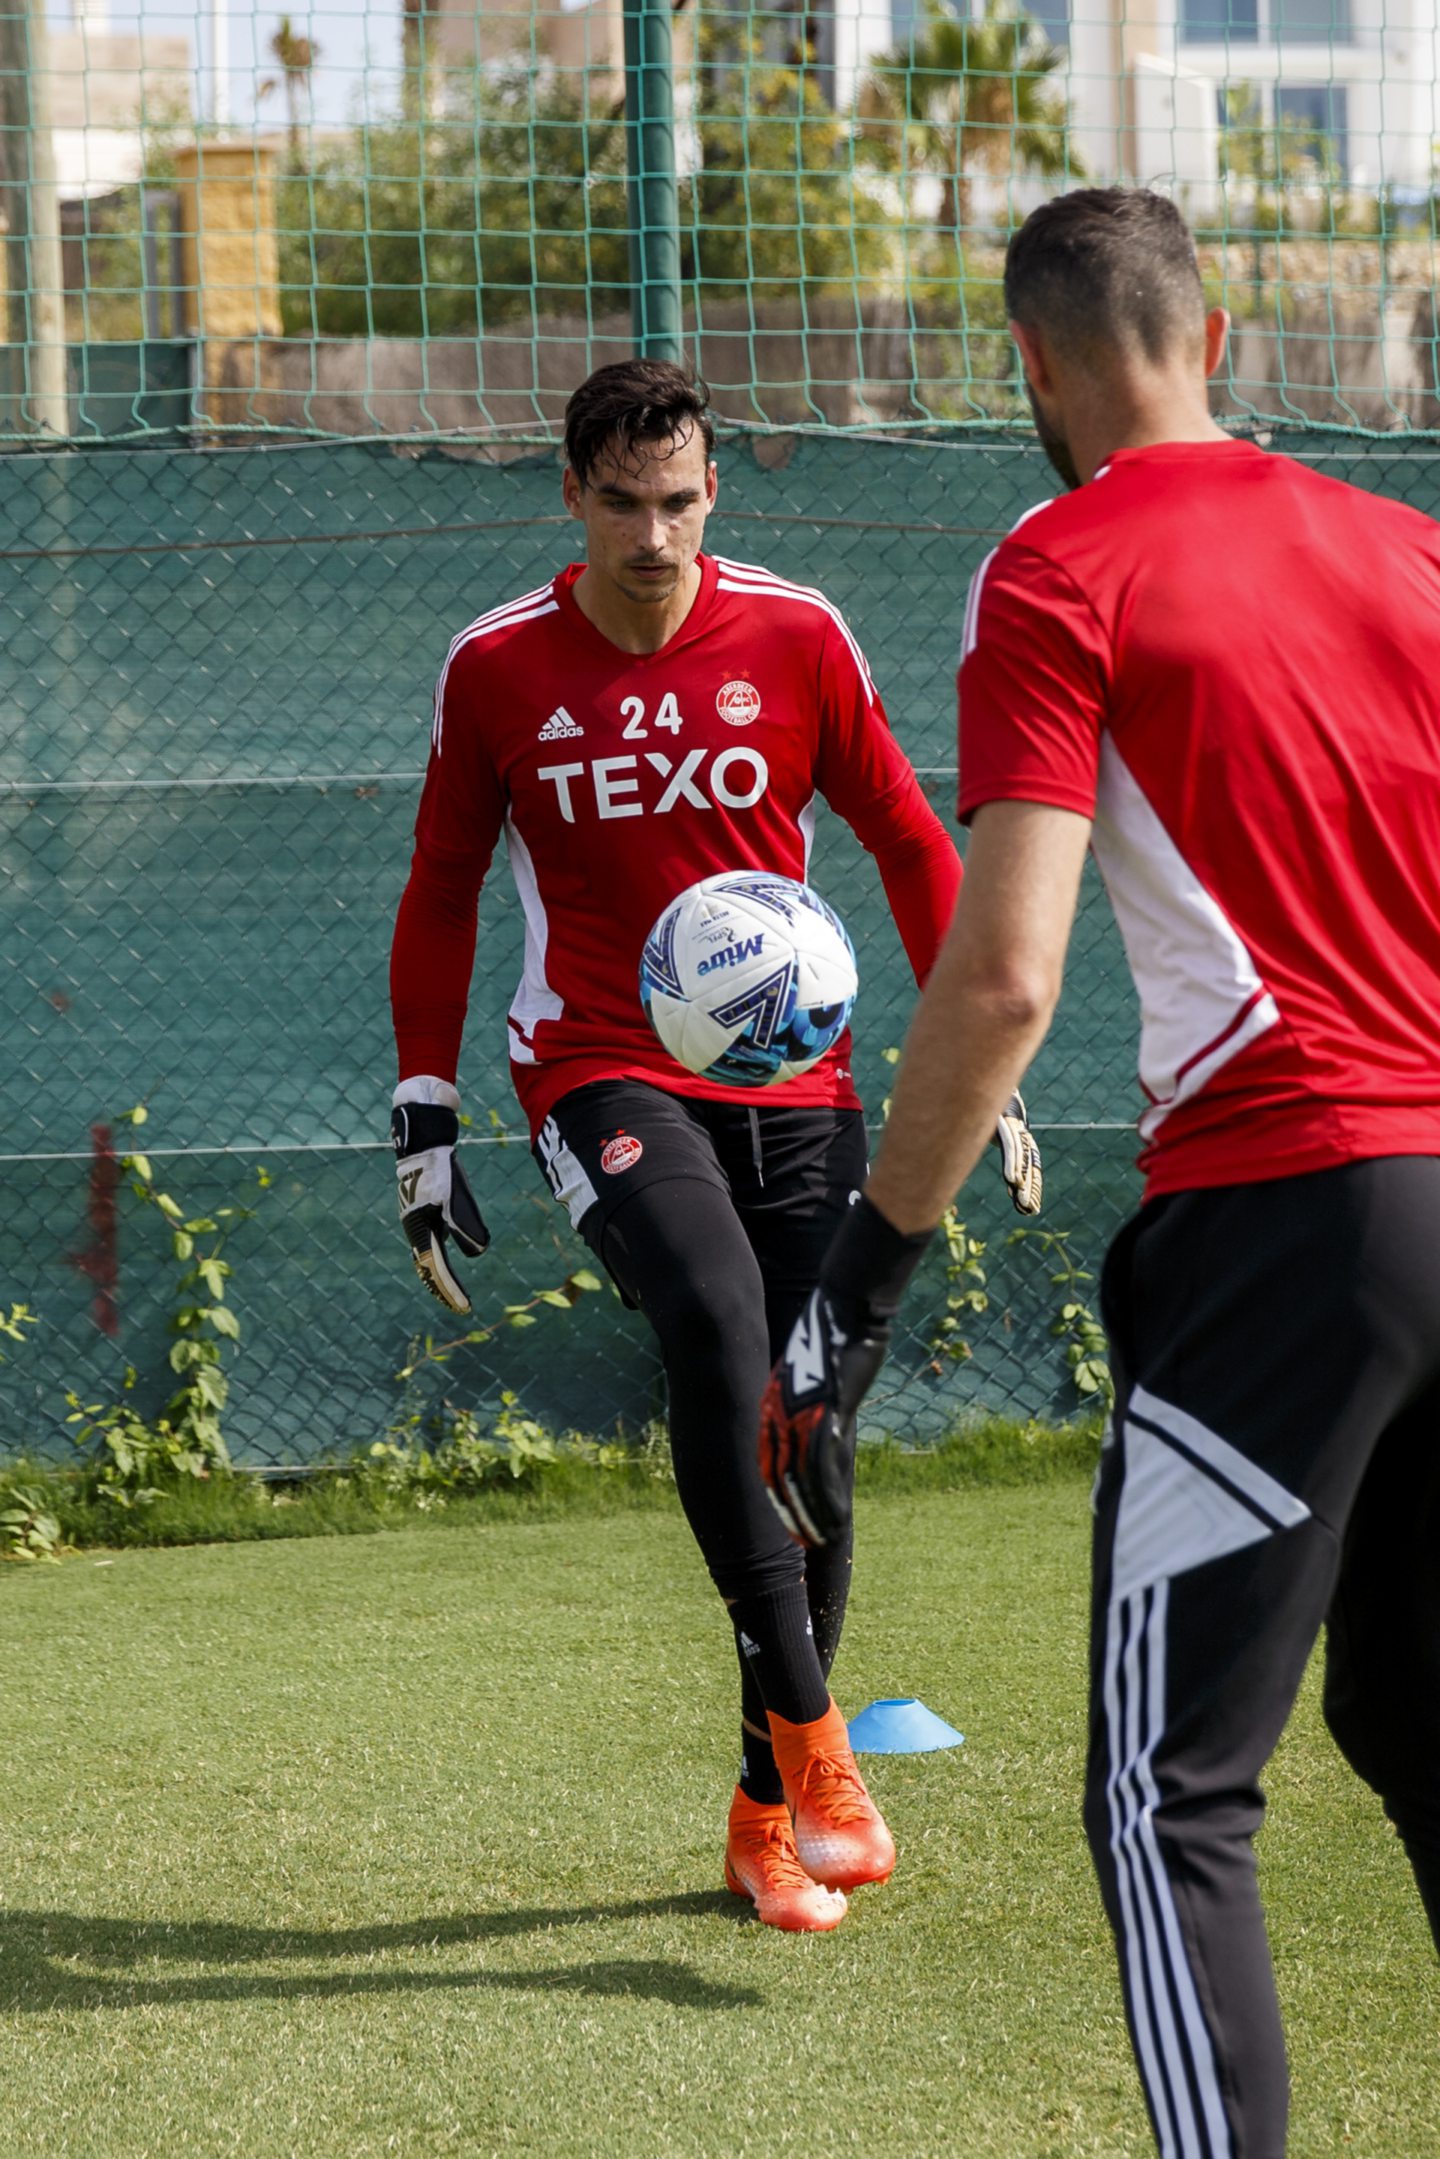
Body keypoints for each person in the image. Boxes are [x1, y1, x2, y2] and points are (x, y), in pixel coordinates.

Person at [759, 187, 1440, 2145]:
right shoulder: (1413, 548)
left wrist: (862, 1286)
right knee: (1416, 1724)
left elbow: (1006, 976)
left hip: (1292, 1230)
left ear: (1035, 366)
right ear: (1214, 338)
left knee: (1172, 1797)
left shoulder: (1059, 566)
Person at [389, 359, 1043, 1934]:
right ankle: (818, 1743)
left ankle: (764, 1803)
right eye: (621, 503)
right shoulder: (496, 670)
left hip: (795, 1083)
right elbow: (443, 886)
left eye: (679, 501)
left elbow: (903, 834)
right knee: (718, 1324)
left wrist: (988, 1070)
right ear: (570, 497)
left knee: (807, 1407)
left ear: (713, 495)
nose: (654, 536)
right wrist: (425, 1108)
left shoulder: (799, 633)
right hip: (598, 1071)